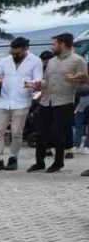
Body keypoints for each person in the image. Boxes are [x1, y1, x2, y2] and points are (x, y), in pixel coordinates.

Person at [30, 33, 87, 173]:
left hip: (64, 102)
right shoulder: (51, 61)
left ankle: (58, 162)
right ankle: (39, 162)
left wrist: (75, 79)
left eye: (54, 44)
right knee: (41, 132)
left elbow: (85, 82)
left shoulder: (78, 61)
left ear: (63, 44)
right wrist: (37, 84)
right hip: (46, 101)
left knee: (58, 133)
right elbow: (46, 81)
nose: (52, 46)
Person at [0, 37, 43, 172]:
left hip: (22, 101)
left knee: (16, 132)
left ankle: (13, 157)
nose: (14, 55)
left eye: (17, 53)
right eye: (13, 53)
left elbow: (38, 79)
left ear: (25, 49)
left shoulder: (35, 61)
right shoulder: (5, 61)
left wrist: (33, 84)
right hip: (4, 100)